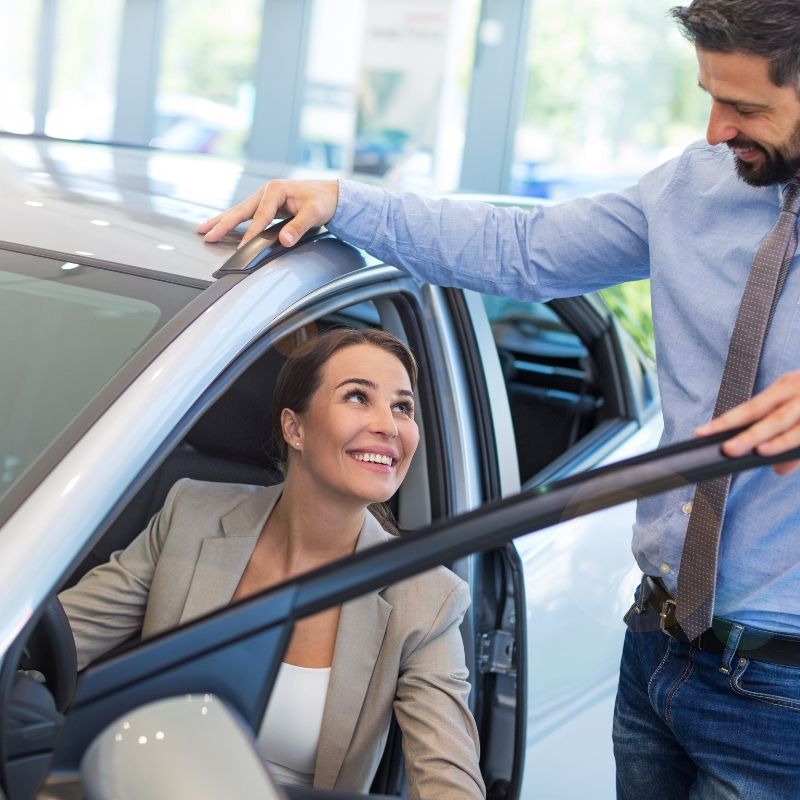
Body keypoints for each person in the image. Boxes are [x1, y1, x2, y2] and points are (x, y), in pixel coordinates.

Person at [198, 2, 800, 797]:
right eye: (710, 96)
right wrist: (346, 203)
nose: (718, 129)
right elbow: (522, 251)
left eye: (747, 107)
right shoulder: (693, 188)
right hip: (658, 646)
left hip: (781, 691)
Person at [60, 328, 485, 799]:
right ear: (294, 428)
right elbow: (57, 641)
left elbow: (450, 781)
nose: (389, 425)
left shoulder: (427, 596)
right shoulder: (191, 515)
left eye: (402, 406)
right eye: (358, 397)